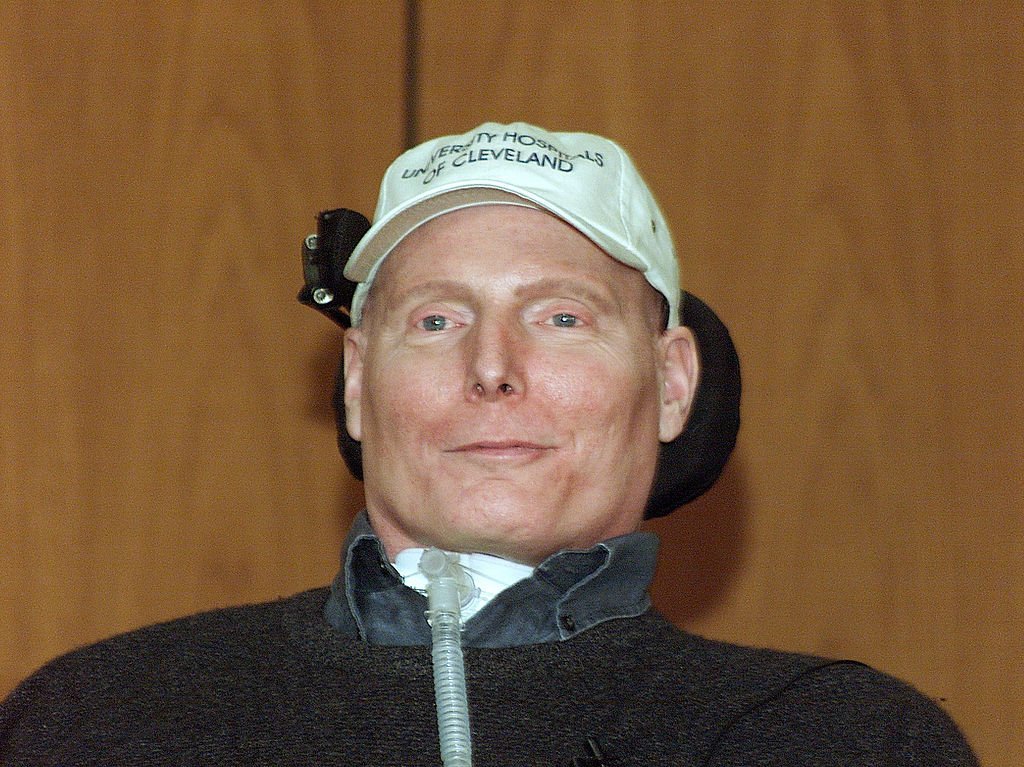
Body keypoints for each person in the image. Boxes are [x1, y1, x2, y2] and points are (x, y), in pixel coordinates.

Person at [0, 122, 977, 766]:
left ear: (673, 381)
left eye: (559, 317)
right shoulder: (101, 717)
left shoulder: (834, 737)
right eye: (435, 320)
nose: (492, 367)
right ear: (353, 382)